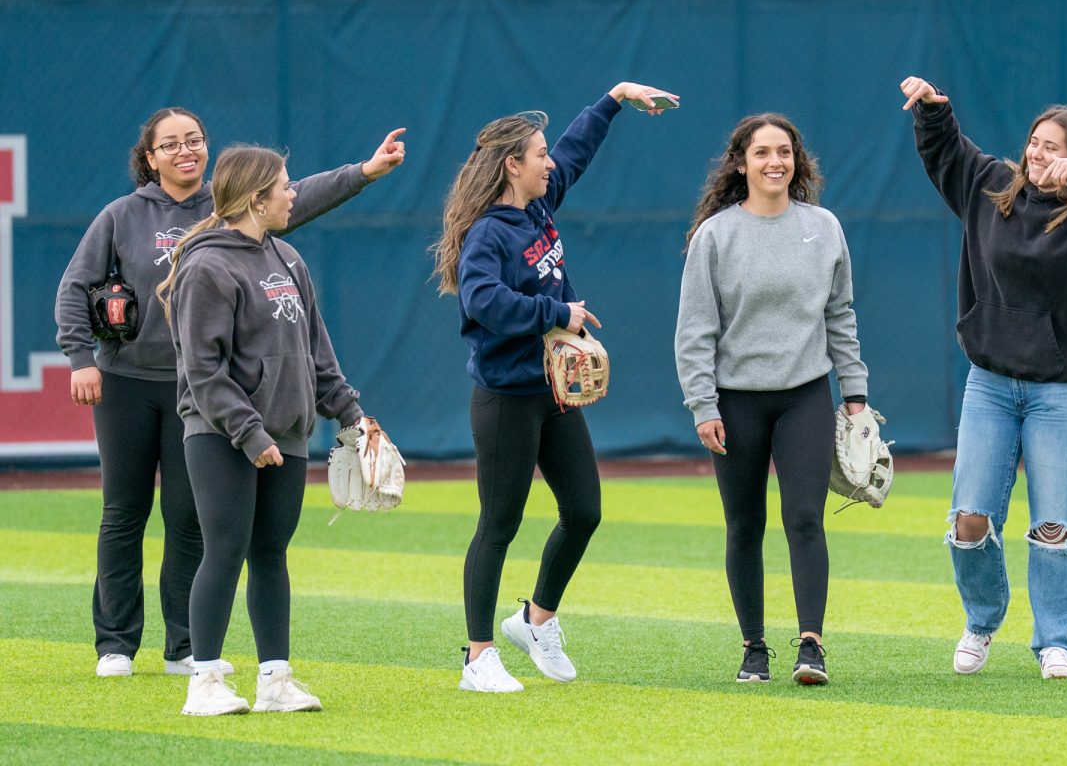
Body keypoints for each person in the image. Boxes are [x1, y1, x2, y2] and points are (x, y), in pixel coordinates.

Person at [54, 108, 404, 679]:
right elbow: (76, 287)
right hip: (130, 381)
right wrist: (79, 358)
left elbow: (297, 196)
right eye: (171, 144)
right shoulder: (123, 216)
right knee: (124, 511)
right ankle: (116, 642)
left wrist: (363, 172)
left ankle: (186, 645)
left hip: (208, 390)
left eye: (194, 140)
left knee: (190, 516)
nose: (185, 150)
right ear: (150, 157)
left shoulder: (229, 215)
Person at [899, 76, 1067, 680]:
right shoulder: (991, 188)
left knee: (1053, 525)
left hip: (1059, 394)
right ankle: (982, 622)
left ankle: (1056, 641)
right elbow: (945, 151)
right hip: (989, 385)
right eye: (1036, 142)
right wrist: (935, 110)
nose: (1039, 154)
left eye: (1055, 147)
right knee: (970, 521)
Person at [432, 81, 677, 692]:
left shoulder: (537, 207)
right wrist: (557, 314)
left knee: (585, 511)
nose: (549, 163)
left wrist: (614, 100)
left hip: (553, 395)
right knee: (499, 524)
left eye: (545, 153)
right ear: (512, 165)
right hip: (506, 398)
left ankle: (535, 620)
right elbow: (482, 300)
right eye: (537, 155)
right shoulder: (489, 233)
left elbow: (575, 151)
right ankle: (478, 656)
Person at [157, 145, 372, 715]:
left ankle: (275, 680)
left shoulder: (290, 259)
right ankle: (203, 681)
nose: (293, 194)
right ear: (257, 199)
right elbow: (202, 368)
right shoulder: (208, 265)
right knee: (224, 550)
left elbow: (315, 353)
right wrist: (249, 434)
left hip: (289, 432)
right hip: (221, 434)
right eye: (284, 186)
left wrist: (352, 415)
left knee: (271, 553)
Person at [674, 113, 870, 686]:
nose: (774, 162)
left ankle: (812, 646)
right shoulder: (715, 235)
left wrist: (854, 391)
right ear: (741, 163)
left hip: (804, 395)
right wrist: (702, 405)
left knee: (805, 518)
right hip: (735, 402)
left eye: (783, 151)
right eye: (761, 153)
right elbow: (695, 331)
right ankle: (753, 648)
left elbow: (841, 313)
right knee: (744, 524)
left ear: (796, 160)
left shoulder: (824, 227)